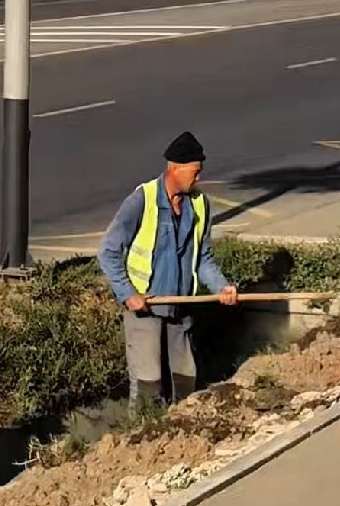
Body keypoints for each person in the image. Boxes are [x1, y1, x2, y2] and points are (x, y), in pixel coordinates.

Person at [97, 131, 238, 411]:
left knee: (186, 378)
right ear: (175, 168)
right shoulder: (142, 201)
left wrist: (221, 287)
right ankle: (139, 441)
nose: (198, 178)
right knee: (148, 383)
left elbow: (203, 258)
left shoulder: (199, 204)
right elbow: (108, 252)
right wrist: (128, 294)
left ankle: (179, 432)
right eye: (194, 172)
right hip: (145, 308)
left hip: (181, 307)